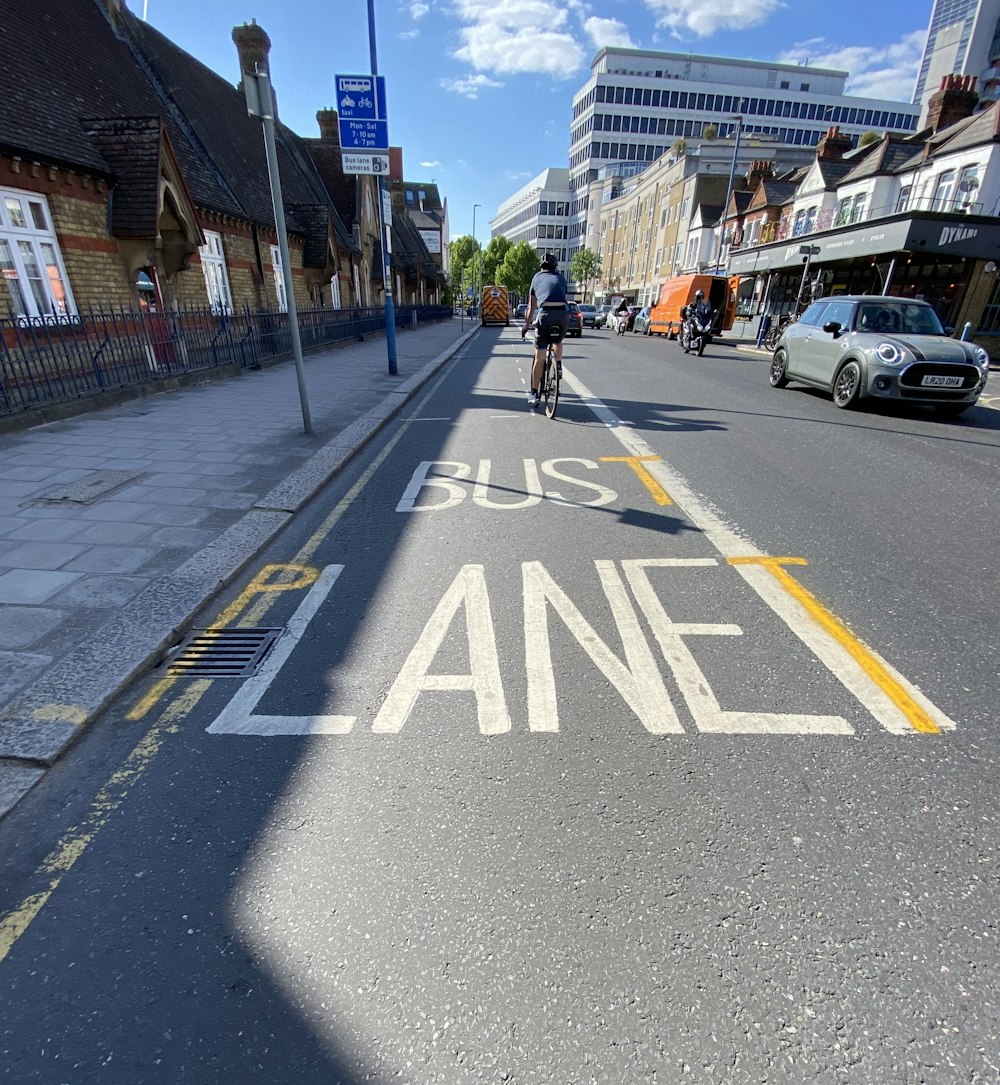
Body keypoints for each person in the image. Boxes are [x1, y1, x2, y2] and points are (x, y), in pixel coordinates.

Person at [521, 254, 569, 407]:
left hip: (545, 315)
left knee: (539, 356)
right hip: (562, 315)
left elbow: (532, 306)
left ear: (541, 267)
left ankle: (534, 393)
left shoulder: (536, 278)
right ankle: (559, 364)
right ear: (555, 267)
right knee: (557, 341)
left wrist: (526, 325)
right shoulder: (561, 278)